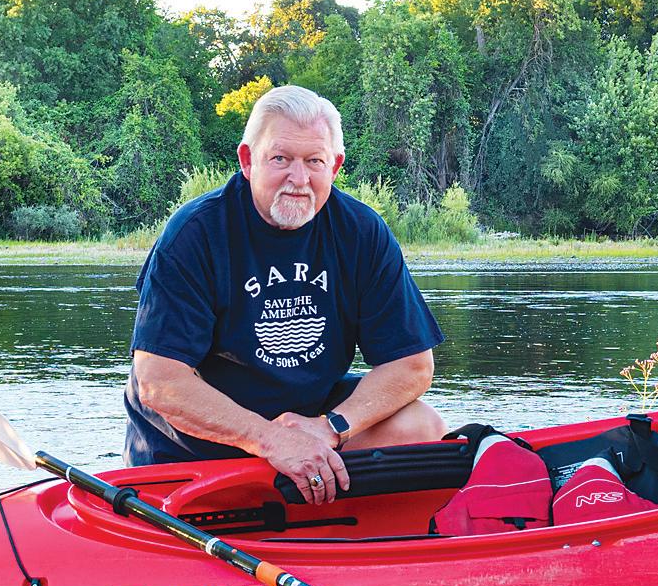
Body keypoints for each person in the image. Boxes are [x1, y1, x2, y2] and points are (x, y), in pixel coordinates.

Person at [123, 86, 448, 503]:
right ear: (247, 160)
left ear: (334, 166)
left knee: (423, 425)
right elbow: (160, 382)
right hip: (196, 450)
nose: (299, 179)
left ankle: (359, 533)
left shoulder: (361, 232)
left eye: (314, 161)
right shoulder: (196, 233)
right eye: (281, 159)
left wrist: (330, 427)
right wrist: (270, 439)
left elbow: (412, 366)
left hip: (308, 427)